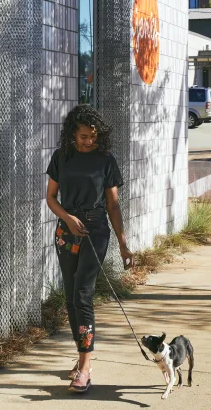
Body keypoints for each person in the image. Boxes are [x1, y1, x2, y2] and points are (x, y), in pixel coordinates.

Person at [46, 104, 134, 393]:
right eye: (84, 136)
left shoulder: (106, 160)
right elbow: (51, 198)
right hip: (66, 232)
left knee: (83, 294)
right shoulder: (62, 157)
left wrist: (123, 244)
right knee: (71, 297)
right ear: (73, 133)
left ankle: (85, 367)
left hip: (95, 230)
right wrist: (68, 218)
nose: (89, 141)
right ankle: (80, 355)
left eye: (93, 137)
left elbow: (113, 205)